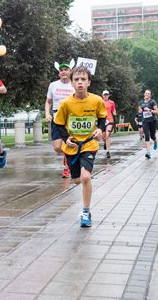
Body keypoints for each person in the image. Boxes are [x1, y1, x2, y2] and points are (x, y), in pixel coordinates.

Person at [54, 65, 107, 227]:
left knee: (85, 177)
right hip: (72, 147)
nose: (80, 83)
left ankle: (86, 211)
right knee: (77, 180)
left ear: (89, 82)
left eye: (83, 79)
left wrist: (100, 129)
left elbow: (102, 118)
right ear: (71, 83)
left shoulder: (97, 100)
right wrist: (66, 138)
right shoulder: (66, 104)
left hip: (89, 144)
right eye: (76, 79)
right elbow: (59, 124)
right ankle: (78, 176)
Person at [45, 60, 75, 178]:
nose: (63, 72)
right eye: (61, 70)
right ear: (59, 73)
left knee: (68, 143)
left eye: (66, 70)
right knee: (57, 147)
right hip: (57, 117)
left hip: (70, 117)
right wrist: (47, 114)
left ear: (70, 72)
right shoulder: (53, 85)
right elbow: (48, 102)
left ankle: (67, 169)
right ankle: (69, 156)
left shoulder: (74, 85)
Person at [139, 89, 158, 159]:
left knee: (152, 136)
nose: (147, 94)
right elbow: (139, 110)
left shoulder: (152, 102)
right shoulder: (141, 102)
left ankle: (155, 141)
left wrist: (150, 110)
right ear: (144, 94)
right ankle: (148, 152)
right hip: (145, 121)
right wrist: (140, 110)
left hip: (153, 121)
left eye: (148, 94)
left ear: (150, 95)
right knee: (147, 136)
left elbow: (157, 112)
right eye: (146, 93)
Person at [101, 90, 116, 158]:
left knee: (107, 135)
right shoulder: (99, 102)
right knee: (103, 137)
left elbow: (113, 109)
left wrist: (115, 113)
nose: (105, 96)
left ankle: (108, 151)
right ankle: (105, 143)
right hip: (102, 120)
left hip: (110, 120)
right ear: (102, 95)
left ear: (108, 95)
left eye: (107, 95)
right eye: (104, 95)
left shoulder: (111, 102)